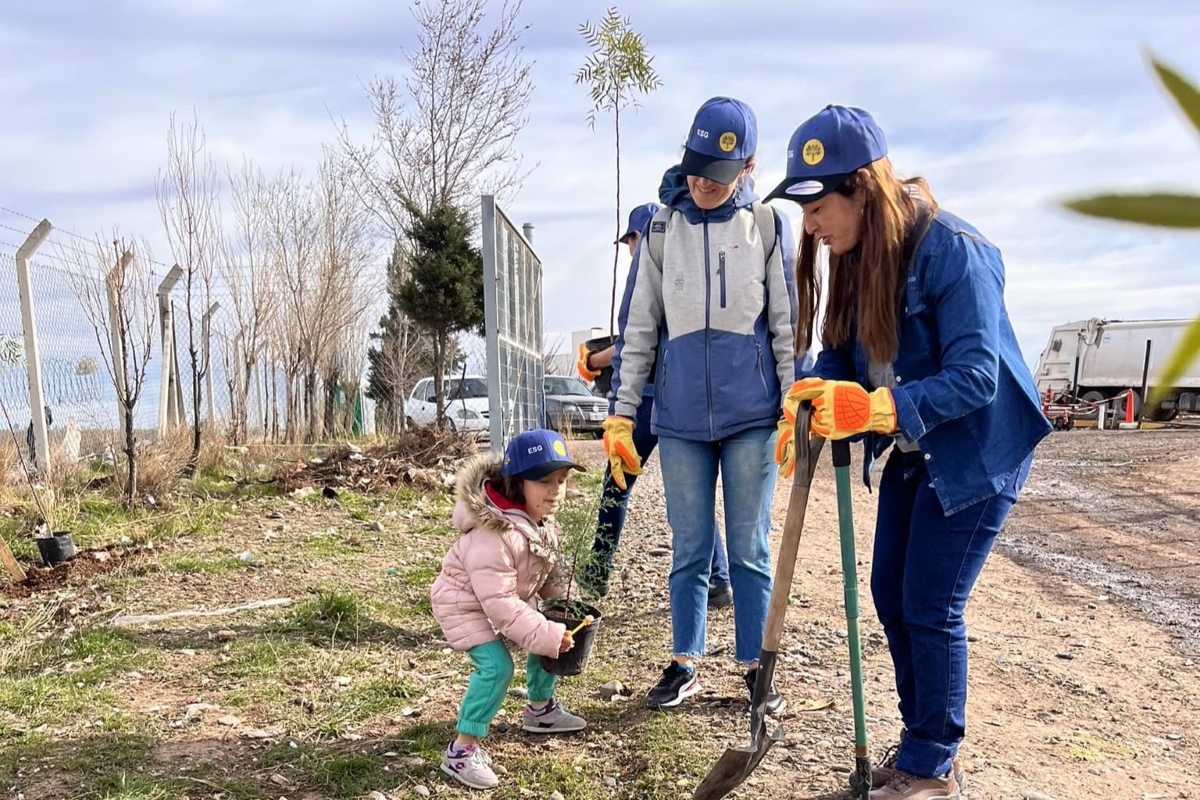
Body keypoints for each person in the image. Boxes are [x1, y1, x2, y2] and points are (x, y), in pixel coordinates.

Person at [767, 105, 1052, 800]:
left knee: (930, 602)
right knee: (890, 595)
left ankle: (931, 764)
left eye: (817, 205)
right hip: (915, 449)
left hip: (979, 452)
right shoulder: (857, 259)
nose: (810, 224)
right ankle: (918, 745)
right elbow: (840, 352)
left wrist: (879, 408)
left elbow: (978, 376)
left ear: (862, 185)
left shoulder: (955, 248)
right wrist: (811, 396)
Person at [604, 96, 798, 710]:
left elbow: (788, 328)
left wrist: (793, 407)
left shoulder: (766, 226)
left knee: (749, 548)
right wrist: (621, 411)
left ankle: (754, 667)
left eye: (716, 174)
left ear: (746, 167)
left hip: (751, 417)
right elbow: (638, 331)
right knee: (689, 548)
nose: (701, 184)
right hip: (682, 418)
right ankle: (684, 659)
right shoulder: (663, 229)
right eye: (693, 168)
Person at [576, 203, 732, 608]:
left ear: (635, 238)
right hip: (683, 398)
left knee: (618, 484)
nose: (631, 248)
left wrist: (594, 361)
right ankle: (718, 578)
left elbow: (635, 340)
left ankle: (596, 574)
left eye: (630, 240)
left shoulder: (647, 268)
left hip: (645, 403)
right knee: (692, 493)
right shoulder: (688, 268)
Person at [429, 428, 591, 790]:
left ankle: (540, 709)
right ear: (518, 484)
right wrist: (547, 634)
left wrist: (569, 605)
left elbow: (549, 574)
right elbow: (500, 605)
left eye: (561, 481)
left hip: (504, 598)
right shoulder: (494, 534)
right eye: (544, 481)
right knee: (497, 667)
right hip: (464, 604)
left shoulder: (542, 524)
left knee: (549, 625)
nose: (555, 490)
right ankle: (461, 750)